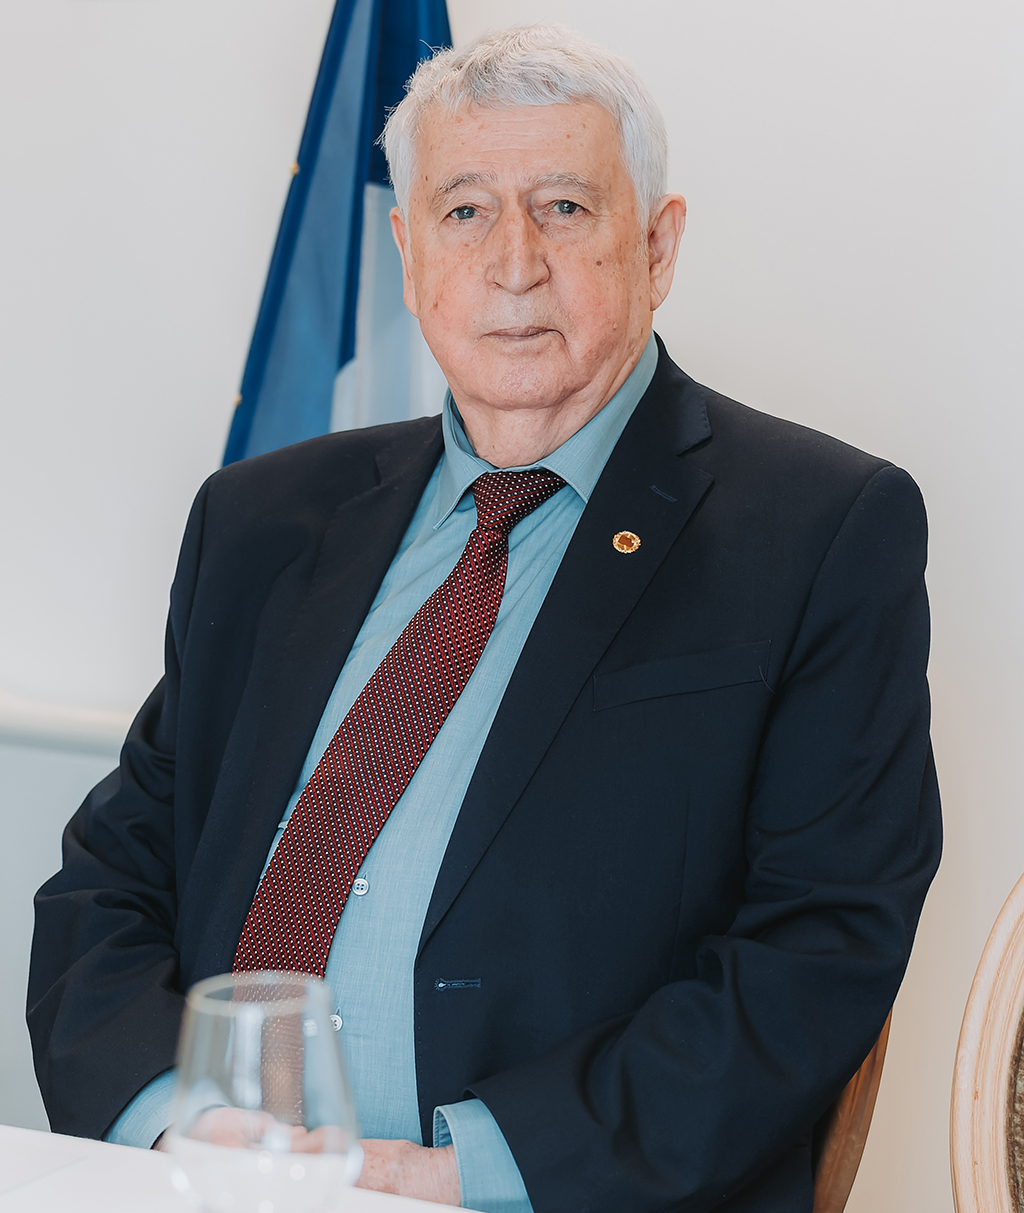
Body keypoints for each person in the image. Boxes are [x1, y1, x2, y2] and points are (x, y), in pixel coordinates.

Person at [28, 23, 941, 1213]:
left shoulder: (820, 529)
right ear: (409, 255)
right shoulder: (260, 522)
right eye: (464, 211)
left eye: (564, 207)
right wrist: (177, 1130)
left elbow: (818, 949)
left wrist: (467, 1173)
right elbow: (109, 883)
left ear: (656, 245)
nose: (514, 263)